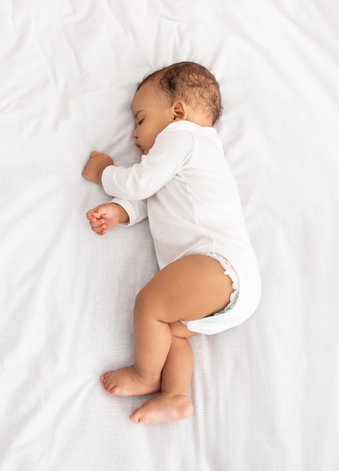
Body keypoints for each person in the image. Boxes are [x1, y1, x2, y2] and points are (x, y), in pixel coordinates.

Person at [81, 61, 261, 424]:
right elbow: (153, 196)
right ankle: (175, 396)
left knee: (150, 304)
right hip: (233, 285)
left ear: (177, 112)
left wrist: (104, 171)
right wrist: (121, 212)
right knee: (169, 332)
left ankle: (145, 376)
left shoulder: (183, 136)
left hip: (216, 265)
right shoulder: (193, 155)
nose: (134, 134)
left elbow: (140, 183)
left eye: (141, 119)